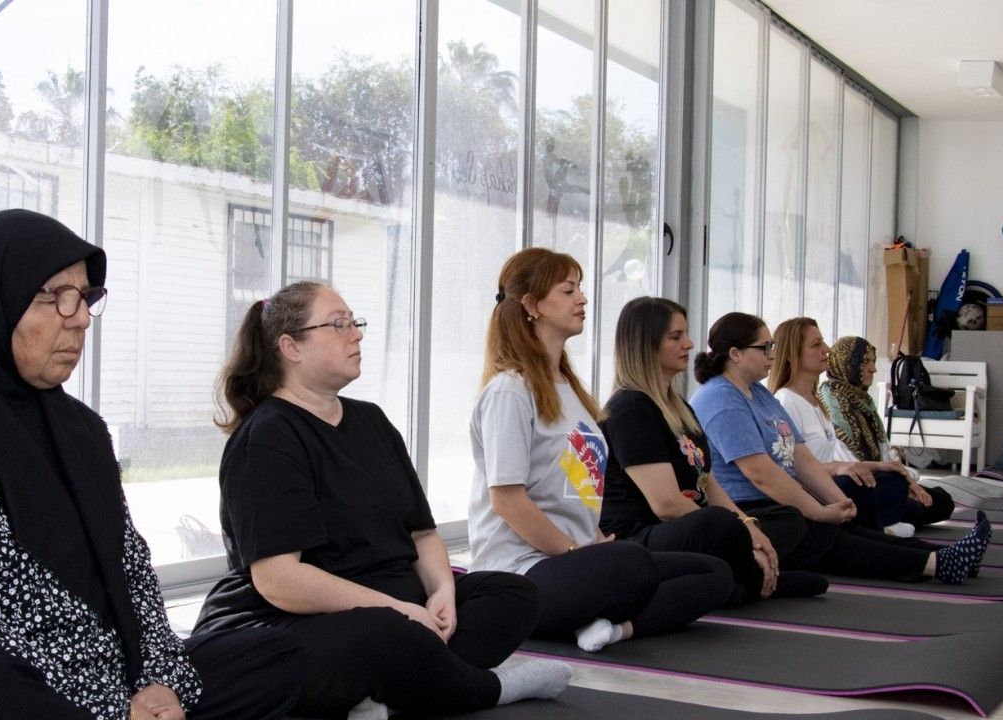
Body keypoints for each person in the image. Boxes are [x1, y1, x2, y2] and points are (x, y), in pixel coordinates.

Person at [0, 210, 302, 720]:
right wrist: (112, 709)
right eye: (54, 296)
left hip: (107, 677)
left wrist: (159, 683)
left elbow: (133, 576)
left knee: (277, 656)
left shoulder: (82, 431)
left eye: (84, 297)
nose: (80, 317)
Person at [192, 281, 569, 720]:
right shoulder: (268, 436)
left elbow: (422, 534)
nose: (356, 334)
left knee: (513, 595)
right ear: (291, 347)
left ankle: (391, 689)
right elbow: (279, 580)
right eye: (338, 325)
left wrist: (442, 592)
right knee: (385, 635)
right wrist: (399, 610)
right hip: (303, 619)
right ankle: (487, 688)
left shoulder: (372, 420)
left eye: (355, 322)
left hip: (394, 605)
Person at [469, 249, 734, 655]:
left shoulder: (569, 390)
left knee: (713, 573)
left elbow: (577, 486)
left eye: (580, 288)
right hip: (519, 573)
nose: (582, 298)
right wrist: (578, 553)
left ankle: (613, 628)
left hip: (578, 562)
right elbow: (507, 501)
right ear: (532, 305)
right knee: (631, 563)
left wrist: (593, 542)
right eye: (568, 290)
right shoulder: (510, 390)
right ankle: (589, 606)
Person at [689, 311, 991, 586]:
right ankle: (936, 564)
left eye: (773, 346)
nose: (772, 354)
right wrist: (818, 511)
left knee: (851, 529)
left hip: (777, 502)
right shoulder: (721, 399)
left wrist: (839, 502)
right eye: (765, 347)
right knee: (828, 538)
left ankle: (941, 556)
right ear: (735, 354)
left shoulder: (758, 393)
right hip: (749, 510)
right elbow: (760, 473)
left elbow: (802, 458)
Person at [600, 297, 828, 603]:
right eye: (676, 337)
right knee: (717, 524)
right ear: (646, 345)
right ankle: (748, 576)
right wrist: (738, 533)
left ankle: (745, 576)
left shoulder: (678, 407)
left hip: (689, 526)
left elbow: (708, 483)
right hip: (641, 535)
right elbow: (666, 505)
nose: (689, 344)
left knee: (788, 518)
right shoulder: (630, 409)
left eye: (686, 334)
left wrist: (748, 526)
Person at [769, 318, 953, 535]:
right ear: (792, 355)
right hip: (818, 490)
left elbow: (841, 462)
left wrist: (882, 466)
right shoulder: (787, 401)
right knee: (876, 489)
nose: (826, 349)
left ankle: (880, 525)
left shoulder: (815, 400)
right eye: (816, 344)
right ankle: (879, 528)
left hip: (837, 481)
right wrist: (849, 469)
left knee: (902, 483)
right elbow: (792, 471)